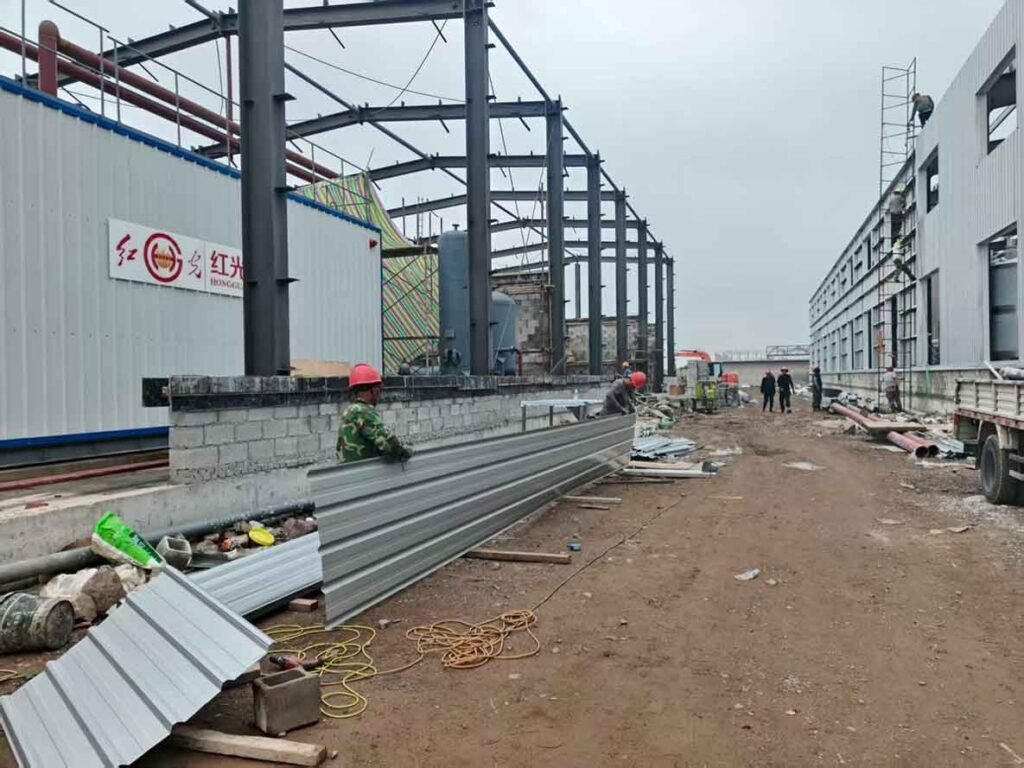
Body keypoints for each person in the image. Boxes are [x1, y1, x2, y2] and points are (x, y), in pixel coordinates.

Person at [337, 363, 413, 463]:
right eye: (379, 389)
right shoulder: (364, 411)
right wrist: (403, 453)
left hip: (347, 470)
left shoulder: (349, 410)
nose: (379, 394)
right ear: (374, 390)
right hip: (361, 473)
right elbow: (389, 443)